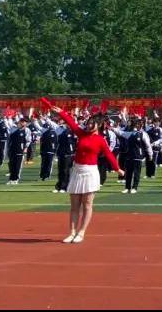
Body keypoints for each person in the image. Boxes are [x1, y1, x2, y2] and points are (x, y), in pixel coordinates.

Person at [47, 102, 125, 244]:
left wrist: (117, 169)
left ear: (99, 125)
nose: (88, 126)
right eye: (88, 123)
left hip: (90, 172)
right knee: (74, 205)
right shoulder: (81, 134)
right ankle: (71, 232)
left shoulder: (101, 140)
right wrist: (61, 112)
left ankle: (81, 232)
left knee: (87, 204)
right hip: (77, 170)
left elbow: (109, 155)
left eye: (92, 124)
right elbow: (72, 123)